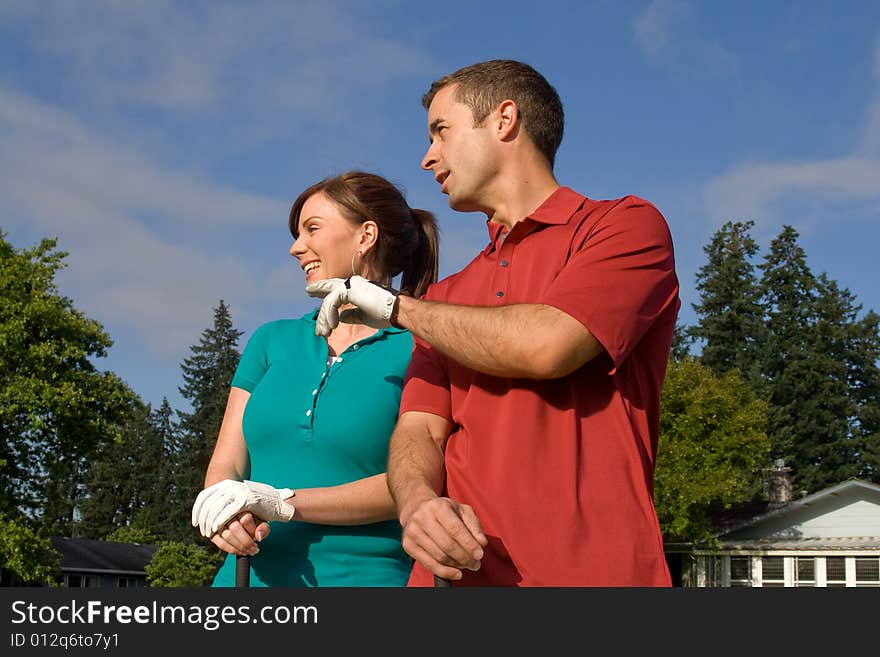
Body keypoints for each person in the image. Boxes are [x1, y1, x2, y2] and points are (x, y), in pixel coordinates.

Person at [307, 60, 680, 586]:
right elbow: (420, 430)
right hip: (455, 582)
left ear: (504, 119)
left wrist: (395, 307)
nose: (427, 156)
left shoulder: (622, 226)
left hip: (597, 573)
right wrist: (417, 506)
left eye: (441, 130)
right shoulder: (446, 298)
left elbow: (548, 345)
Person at [191, 170, 439, 587]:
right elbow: (227, 463)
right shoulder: (271, 341)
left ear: (366, 236)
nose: (295, 248)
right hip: (244, 580)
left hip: (367, 580)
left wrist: (283, 503)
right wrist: (226, 512)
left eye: (312, 229)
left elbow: (417, 481)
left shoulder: (422, 348)